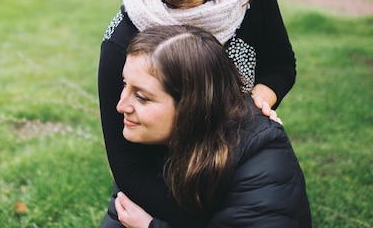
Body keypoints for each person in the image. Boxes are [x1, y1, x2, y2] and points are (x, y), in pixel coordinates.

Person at [99, 0, 297, 227]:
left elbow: (281, 65)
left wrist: (258, 103)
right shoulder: (125, 41)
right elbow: (128, 167)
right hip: (163, 185)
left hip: (243, 163)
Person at [104, 25, 311, 228]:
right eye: (124, 84)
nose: (120, 106)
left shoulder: (261, 155)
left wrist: (150, 226)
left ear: (190, 105)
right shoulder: (148, 139)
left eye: (141, 97)